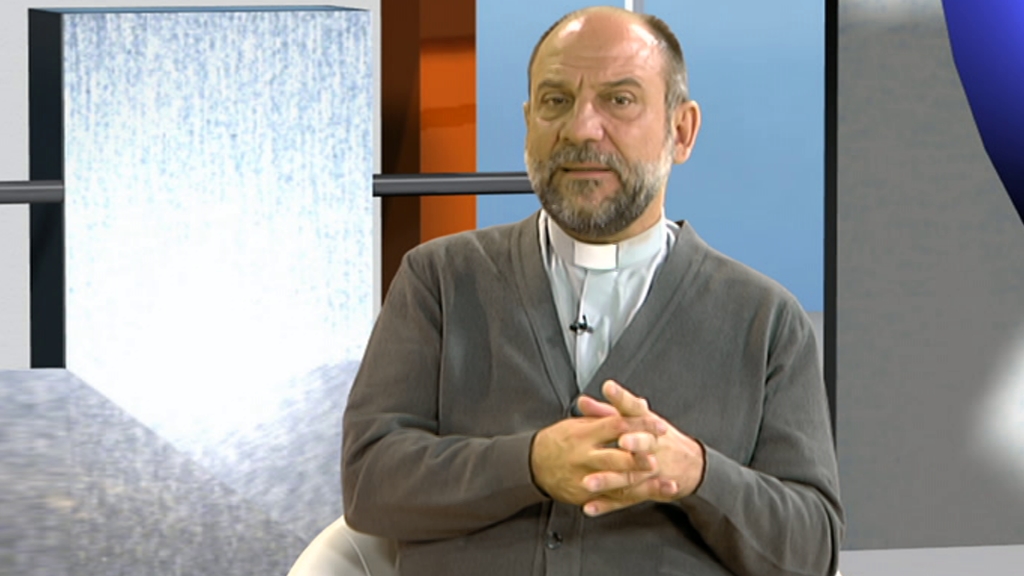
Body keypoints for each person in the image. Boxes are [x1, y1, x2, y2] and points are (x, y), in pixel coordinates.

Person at [342, 6, 843, 576]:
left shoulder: (765, 320)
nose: (581, 129)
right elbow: (368, 482)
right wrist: (530, 464)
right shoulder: (439, 280)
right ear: (528, 121)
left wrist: (697, 474)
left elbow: (812, 550)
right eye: (556, 101)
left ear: (681, 131)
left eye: (619, 100)